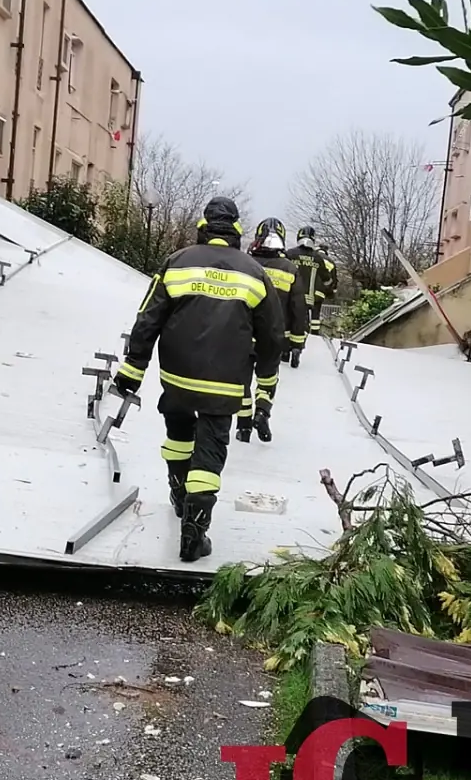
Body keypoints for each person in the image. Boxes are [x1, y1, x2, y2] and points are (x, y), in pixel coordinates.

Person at [113, 197, 287, 562]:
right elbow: (272, 335)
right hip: (225, 383)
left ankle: (179, 492)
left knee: (178, 437)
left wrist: (132, 370)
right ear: (237, 230)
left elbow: (149, 318)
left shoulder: (177, 262)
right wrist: (265, 384)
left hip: (176, 375)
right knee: (209, 451)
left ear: (203, 226)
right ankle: (195, 531)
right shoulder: (255, 273)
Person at [239, 218, 301, 443]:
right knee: (268, 378)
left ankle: (243, 426)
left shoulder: (245, 264)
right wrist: (297, 342)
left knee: (242, 381)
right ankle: (263, 411)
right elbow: (298, 308)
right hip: (275, 335)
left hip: (244, 334)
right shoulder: (290, 269)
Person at [286, 228, 336, 364]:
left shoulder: (290, 254)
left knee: (286, 321)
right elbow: (327, 279)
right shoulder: (317, 258)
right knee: (301, 324)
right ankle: (297, 349)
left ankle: (285, 350)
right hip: (307, 298)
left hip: (289, 295)